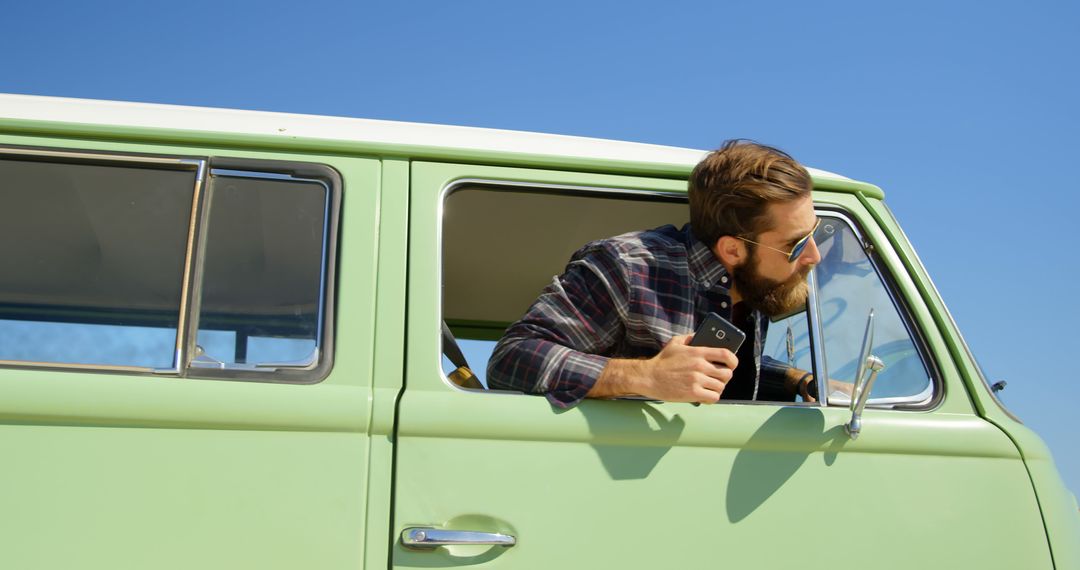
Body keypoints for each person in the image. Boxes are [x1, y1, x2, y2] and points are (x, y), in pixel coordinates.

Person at [486, 140, 822, 408]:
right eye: (796, 244)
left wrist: (795, 379)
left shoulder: (756, 283)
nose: (814, 255)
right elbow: (511, 358)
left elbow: (715, 371)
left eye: (815, 233)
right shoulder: (629, 266)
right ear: (733, 250)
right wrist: (646, 376)